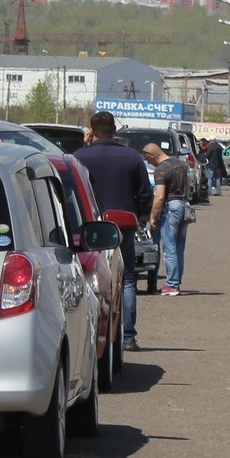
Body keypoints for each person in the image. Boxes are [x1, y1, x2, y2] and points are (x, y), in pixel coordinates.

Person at [73, 111, 154, 351]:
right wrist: (137, 216)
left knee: (91, 280)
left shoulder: (79, 157)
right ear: (114, 129)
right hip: (123, 227)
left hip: (89, 229)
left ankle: (93, 335)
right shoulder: (131, 158)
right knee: (127, 279)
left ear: (91, 129)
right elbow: (145, 194)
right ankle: (127, 336)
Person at [143, 142, 190, 296]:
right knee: (179, 248)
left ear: (152, 155)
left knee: (169, 248)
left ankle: (172, 285)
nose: (149, 162)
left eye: (149, 160)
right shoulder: (181, 164)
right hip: (184, 205)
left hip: (170, 207)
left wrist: (153, 216)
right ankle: (176, 281)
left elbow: (160, 196)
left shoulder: (161, 170)